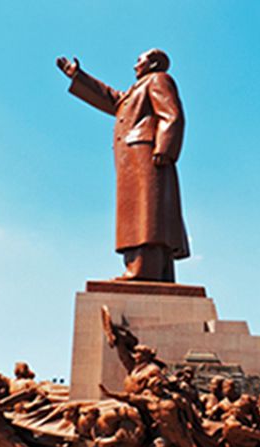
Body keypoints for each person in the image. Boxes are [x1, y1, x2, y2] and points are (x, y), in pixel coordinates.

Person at [57, 49, 189, 281]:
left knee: (147, 212)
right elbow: (112, 99)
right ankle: (151, 269)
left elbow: (172, 114)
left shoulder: (159, 79)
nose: (135, 64)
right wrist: (79, 76)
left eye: (140, 60)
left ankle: (144, 270)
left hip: (146, 152)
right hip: (133, 157)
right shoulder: (136, 89)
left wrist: (165, 149)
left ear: (154, 63)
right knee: (138, 211)